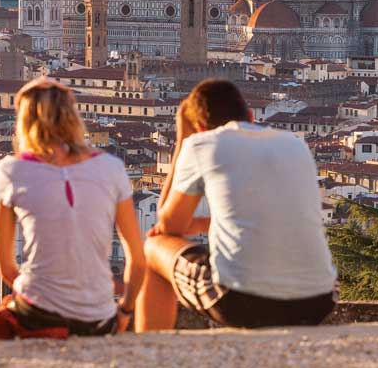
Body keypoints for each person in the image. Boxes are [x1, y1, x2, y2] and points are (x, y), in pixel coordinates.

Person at [136, 79, 336, 331]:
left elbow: (166, 225)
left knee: (153, 247)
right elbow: (264, 218)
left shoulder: (201, 143)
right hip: (318, 299)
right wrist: (201, 224)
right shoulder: (295, 144)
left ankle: (147, 354)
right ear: (250, 116)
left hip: (240, 301)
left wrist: (182, 142)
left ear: (199, 127)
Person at [0, 78, 145, 336]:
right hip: (99, 318)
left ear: (24, 122)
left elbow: (5, 268)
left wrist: (43, 292)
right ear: (74, 117)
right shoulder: (112, 168)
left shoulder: (10, 170)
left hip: (38, 315)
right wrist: (125, 311)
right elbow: (138, 261)